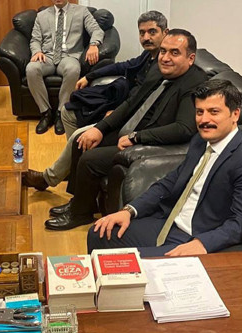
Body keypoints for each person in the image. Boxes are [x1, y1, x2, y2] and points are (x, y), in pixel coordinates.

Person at [45, 29, 208, 231]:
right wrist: (100, 128)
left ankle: (80, 215)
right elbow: (130, 103)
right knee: (82, 141)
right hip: (133, 129)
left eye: (174, 53)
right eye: (163, 51)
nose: (165, 58)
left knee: (90, 160)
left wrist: (137, 137)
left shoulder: (195, 84)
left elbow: (183, 129)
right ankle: (81, 202)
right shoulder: (159, 70)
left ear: (190, 58)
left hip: (150, 142)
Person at [88, 79, 242, 257]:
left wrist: (203, 243)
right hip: (168, 223)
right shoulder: (201, 141)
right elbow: (170, 182)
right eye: (199, 112)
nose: (204, 120)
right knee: (99, 232)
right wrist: (129, 210)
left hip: (197, 237)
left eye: (214, 112)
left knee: (126, 262)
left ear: (235, 114)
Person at [23, 10, 169, 191]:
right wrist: (90, 76)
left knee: (78, 136)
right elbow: (124, 65)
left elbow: (142, 103)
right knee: (68, 111)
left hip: (129, 118)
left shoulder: (164, 66)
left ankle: (47, 178)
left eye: (152, 32)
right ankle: (72, 165)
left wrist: (114, 114)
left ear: (165, 33)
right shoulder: (148, 55)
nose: (146, 37)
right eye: (142, 33)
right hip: (122, 105)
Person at [27, 0, 104, 135]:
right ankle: (45, 113)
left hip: (70, 55)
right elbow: (35, 39)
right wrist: (37, 51)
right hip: (47, 56)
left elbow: (96, 30)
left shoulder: (81, 12)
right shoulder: (42, 16)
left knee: (73, 69)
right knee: (31, 69)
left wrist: (94, 44)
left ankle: (61, 114)